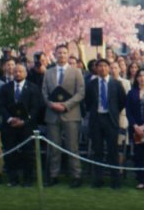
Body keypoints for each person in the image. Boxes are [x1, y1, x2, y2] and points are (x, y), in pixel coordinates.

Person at [41, 44, 86, 188]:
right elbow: (44, 92)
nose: (62, 55)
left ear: (68, 55)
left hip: (71, 114)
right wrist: (51, 104)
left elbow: (81, 93)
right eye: (59, 53)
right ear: (55, 54)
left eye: (64, 53)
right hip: (52, 115)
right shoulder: (48, 72)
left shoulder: (76, 72)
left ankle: (76, 176)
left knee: (72, 147)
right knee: (53, 147)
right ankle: (54, 175)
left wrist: (65, 105)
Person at [0, 63, 44, 187]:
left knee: (28, 153)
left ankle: (28, 179)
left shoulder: (33, 88)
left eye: (20, 71)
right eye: (15, 71)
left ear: (26, 73)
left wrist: (24, 121)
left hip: (27, 127)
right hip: (10, 127)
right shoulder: (5, 88)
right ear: (12, 73)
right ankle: (12, 179)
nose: (18, 74)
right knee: (10, 153)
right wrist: (9, 119)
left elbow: (36, 108)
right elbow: (1, 106)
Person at [85, 59, 127, 189]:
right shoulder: (91, 84)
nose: (102, 69)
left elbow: (122, 101)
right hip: (96, 120)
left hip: (110, 120)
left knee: (112, 151)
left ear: (109, 68)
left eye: (105, 66)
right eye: (100, 66)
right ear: (96, 69)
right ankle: (98, 179)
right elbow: (88, 102)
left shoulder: (116, 84)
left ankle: (115, 180)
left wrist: (113, 112)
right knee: (97, 151)